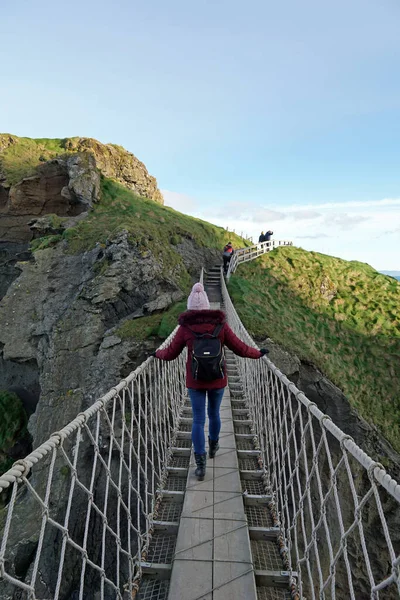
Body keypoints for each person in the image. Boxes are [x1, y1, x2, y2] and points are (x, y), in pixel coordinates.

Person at [153, 283, 268, 480]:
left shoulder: (184, 328)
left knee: (198, 420)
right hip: (218, 379)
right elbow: (240, 347)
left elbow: (171, 354)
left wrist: (157, 353)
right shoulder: (220, 326)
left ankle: (200, 465)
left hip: (195, 381)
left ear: (190, 307)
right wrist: (257, 353)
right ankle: (214, 446)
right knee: (214, 414)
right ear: (207, 306)